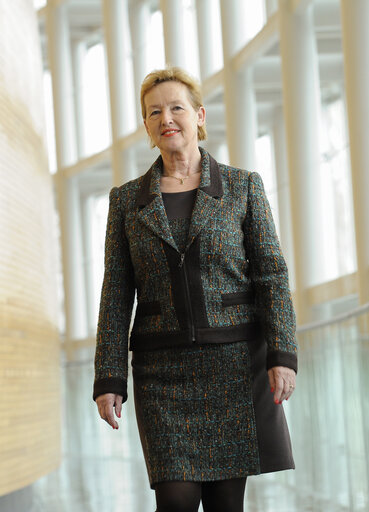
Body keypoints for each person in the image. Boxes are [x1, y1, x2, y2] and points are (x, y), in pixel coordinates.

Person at [93, 66, 297, 512]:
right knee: (176, 502)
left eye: (176, 107)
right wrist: (109, 377)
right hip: (161, 373)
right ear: (147, 126)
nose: (166, 118)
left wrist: (283, 355)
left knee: (226, 504)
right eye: (154, 112)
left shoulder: (244, 187)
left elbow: (271, 275)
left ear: (199, 115)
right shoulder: (126, 201)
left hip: (234, 366)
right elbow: (116, 291)